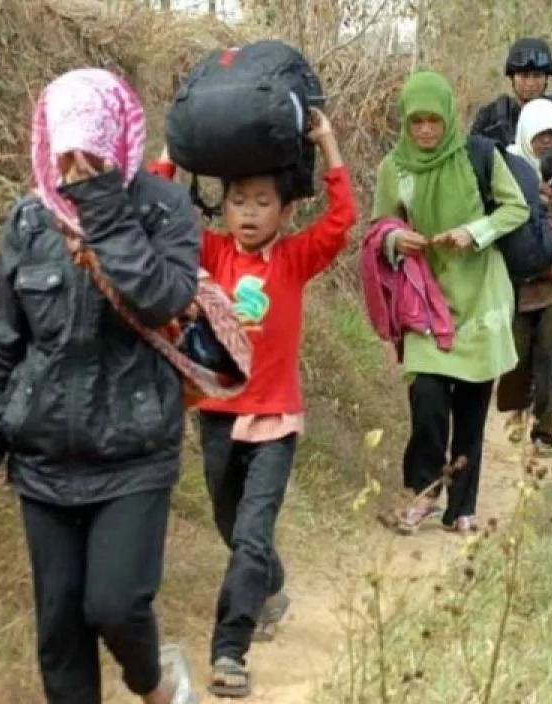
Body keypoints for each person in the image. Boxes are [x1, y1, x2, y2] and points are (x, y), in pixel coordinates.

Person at [0, 69, 201, 704]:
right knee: (59, 629)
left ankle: (155, 680)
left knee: (115, 605)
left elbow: (161, 298)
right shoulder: (29, 222)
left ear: (119, 138)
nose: (76, 167)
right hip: (44, 459)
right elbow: (1, 343)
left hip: (134, 452)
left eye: (92, 150)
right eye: (65, 153)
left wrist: (104, 211)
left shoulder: (162, 208)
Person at [192, 109, 357, 697]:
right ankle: (271, 584)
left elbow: (342, 220)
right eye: (239, 201)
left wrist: (329, 146)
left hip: (275, 420)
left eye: (263, 202)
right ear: (225, 208)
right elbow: (157, 217)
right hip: (216, 412)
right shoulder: (211, 253)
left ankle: (229, 650)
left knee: (252, 534)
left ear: (285, 213)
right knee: (230, 523)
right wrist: (168, 154)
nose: (249, 213)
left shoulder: (293, 258)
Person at [374, 70, 529, 535]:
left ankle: (461, 509)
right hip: (425, 301)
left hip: (480, 296)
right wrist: (397, 240)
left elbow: (515, 208)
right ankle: (422, 495)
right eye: (416, 121)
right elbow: (381, 226)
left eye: (433, 121)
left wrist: (473, 232)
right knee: (426, 401)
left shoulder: (478, 156)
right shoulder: (393, 169)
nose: (425, 130)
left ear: (447, 118)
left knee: (471, 411)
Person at [495, 101, 552, 454]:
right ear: (527, 133)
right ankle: (518, 409)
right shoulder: (510, 171)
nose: (546, 141)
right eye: (540, 134)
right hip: (520, 285)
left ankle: (544, 432)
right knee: (516, 357)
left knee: (549, 358)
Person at [470, 38, 552, 146]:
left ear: (546, 79)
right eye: (524, 76)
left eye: (537, 76)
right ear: (512, 78)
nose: (530, 83)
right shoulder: (490, 117)